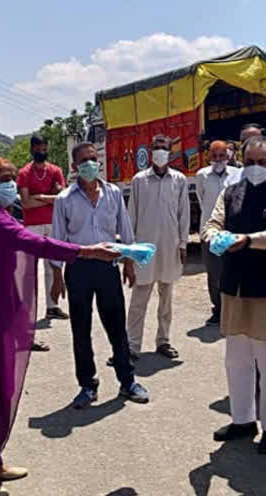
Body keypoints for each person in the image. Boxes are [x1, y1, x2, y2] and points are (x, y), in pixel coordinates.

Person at [0, 157, 120, 496]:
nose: (13, 186)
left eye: (12, 178)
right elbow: (38, 244)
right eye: (5, 179)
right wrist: (88, 251)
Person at [201, 135, 266, 455]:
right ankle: (242, 420)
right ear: (242, 162)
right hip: (233, 288)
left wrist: (246, 239)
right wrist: (214, 235)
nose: (256, 168)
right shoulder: (231, 192)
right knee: (236, 360)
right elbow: (211, 224)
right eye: (251, 162)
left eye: (263, 162)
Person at [51, 142, 150, 409]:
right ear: (74, 166)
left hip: (108, 268)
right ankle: (87, 385)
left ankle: (127, 381)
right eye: (84, 160)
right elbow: (58, 240)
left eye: (93, 158)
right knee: (80, 329)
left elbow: (125, 230)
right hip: (79, 269)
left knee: (116, 327)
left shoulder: (113, 193)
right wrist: (57, 276)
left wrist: (128, 263)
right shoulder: (64, 199)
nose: (90, 164)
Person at [123, 134, 189, 360]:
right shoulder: (139, 180)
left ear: (170, 152)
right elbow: (131, 215)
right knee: (139, 298)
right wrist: (129, 250)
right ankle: (131, 346)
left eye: (164, 147)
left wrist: (183, 243)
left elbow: (184, 214)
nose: (160, 151)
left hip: (170, 247)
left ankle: (163, 340)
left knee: (166, 298)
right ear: (150, 152)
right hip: (144, 249)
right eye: (156, 147)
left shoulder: (179, 179)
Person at [17, 135, 69, 339]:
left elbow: (62, 198)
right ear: (32, 150)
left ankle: (52, 306)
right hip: (32, 226)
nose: (42, 150)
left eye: (44, 147)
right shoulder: (24, 173)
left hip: (53, 224)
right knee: (29, 269)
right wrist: (49, 200)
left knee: (53, 266)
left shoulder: (55, 170)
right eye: (38, 147)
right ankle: (25, 313)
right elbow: (26, 203)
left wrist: (39, 197)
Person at [195, 140, 239, 325]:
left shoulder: (237, 175)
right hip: (210, 233)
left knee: (233, 272)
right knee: (214, 274)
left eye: (222, 155)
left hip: (232, 233)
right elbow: (201, 198)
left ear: (227, 156)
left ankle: (234, 311)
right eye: (214, 156)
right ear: (208, 156)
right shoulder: (202, 175)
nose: (218, 159)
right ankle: (218, 310)